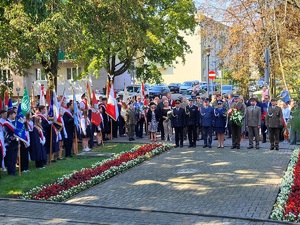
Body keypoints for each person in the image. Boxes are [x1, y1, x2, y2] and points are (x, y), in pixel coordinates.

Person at [3, 110, 18, 175]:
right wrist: (14, 138)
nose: (15, 116)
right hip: (9, 143)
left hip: (15, 143)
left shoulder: (15, 122)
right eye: (14, 114)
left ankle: (14, 170)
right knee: (10, 158)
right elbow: (6, 135)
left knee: (14, 158)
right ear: (10, 115)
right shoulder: (6, 123)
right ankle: (10, 172)